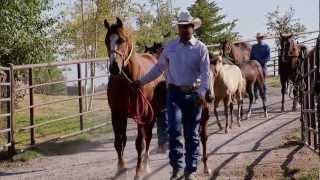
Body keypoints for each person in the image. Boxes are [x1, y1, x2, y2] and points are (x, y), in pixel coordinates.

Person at [132, 11, 210, 180]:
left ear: (192, 28)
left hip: (194, 95)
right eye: (181, 27)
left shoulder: (201, 48)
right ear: (178, 28)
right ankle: (177, 169)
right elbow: (158, 69)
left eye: (187, 27)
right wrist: (141, 81)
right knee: (173, 131)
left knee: (191, 133)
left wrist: (203, 93)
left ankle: (191, 170)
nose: (184, 30)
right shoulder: (170, 47)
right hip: (174, 93)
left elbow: (206, 74)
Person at [250, 33, 271, 101]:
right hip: (255, 66)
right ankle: (256, 96)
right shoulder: (254, 47)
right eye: (258, 38)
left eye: (260, 37)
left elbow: (268, 57)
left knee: (263, 81)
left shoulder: (266, 46)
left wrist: (261, 62)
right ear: (257, 39)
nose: (259, 39)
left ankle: (264, 95)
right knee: (255, 81)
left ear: (262, 38)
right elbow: (251, 57)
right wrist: (253, 63)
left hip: (262, 65)